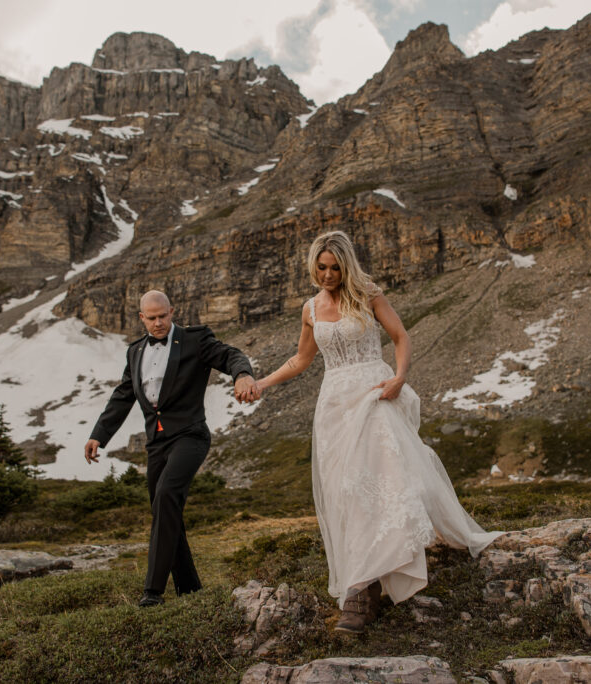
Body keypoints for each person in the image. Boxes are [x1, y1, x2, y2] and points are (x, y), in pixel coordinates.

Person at [256, 231, 503, 634]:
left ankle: (362, 590)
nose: (328, 275)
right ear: (312, 265)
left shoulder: (368, 293)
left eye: (335, 267)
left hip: (375, 392)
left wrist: (400, 378)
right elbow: (300, 359)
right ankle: (366, 577)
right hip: (334, 404)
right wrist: (263, 384)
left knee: (379, 479)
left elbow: (400, 337)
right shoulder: (311, 309)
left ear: (347, 265)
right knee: (345, 490)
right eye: (321, 267)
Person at [85, 290, 260, 607]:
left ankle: (152, 591)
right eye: (150, 318)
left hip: (191, 436)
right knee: (165, 511)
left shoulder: (195, 340)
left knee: (166, 495)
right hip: (157, 444)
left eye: (162, 316)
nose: (157, 322)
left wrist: (243, 374)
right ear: (141, 318)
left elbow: (230, 355)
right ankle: (191, 591)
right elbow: (123, 396)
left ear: (172, 311)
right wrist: (99, 435)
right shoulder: (135, 351)